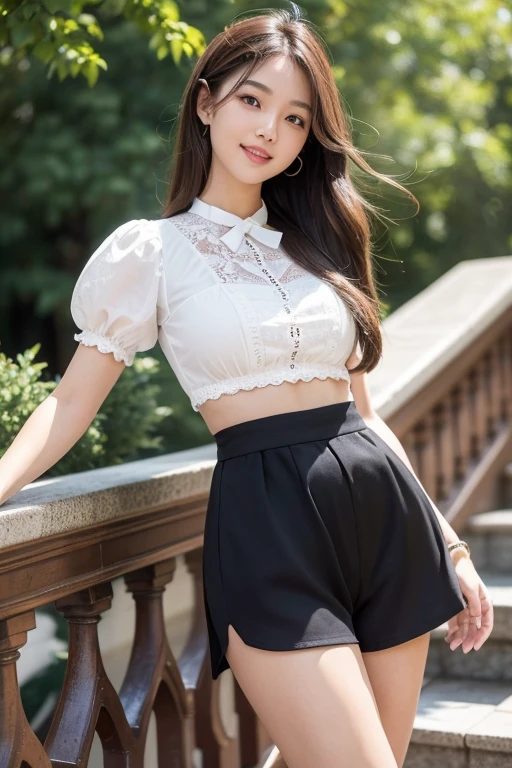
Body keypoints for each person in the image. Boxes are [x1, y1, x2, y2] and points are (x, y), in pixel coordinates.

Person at [0, 5, 494, 768]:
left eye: (295, 119)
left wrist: (452, 547)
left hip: (386, 521)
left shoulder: (324, 241)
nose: (269, 130)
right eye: (252, 101)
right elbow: (71, 401)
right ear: (206, 102)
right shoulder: (151, 253)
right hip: (269, 531)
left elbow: (367, 412)